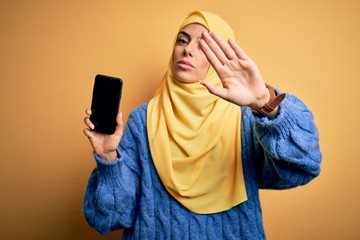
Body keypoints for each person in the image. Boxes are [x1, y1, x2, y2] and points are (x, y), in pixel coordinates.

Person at [83, 11, 322, 239]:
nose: (187, 50)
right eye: (182, 40)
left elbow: (303, 167)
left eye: (204, 46)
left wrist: (264, 102)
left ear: (224, 58)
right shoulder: (141, 121)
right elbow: (109, 219)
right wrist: (108, 158)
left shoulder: (246, 120)